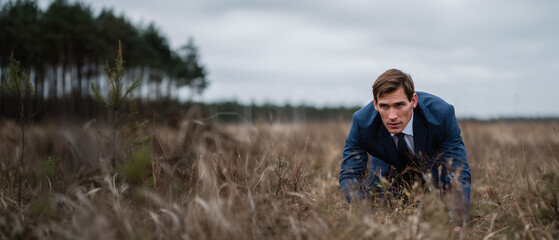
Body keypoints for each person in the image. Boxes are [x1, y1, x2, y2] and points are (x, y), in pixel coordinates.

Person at [339, 68, 471, 230]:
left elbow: (457, 169)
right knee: (381, 202)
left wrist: (456, 220)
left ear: (413, 101)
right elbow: (350, 174)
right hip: (386, 162)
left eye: (399, 105)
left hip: (431, 164)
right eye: (385, 106)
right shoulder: (362, 123)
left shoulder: (441, 115)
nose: (392, 115)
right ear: (375, 104)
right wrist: (368, 215)